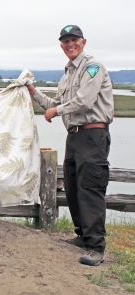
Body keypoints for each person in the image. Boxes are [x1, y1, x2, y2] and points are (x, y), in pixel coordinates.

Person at [26, 25, 114, 266]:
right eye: (65, 41)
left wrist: (57, 110)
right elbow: (54, 103)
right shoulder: (67, 74)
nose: (69, 44)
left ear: (83, 41)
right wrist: (33, 92)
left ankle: (96, 246)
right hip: (74, 135)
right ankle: (83, 235)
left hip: (93, 135)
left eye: (73, 39)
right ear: (61, 45)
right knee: (74, 186)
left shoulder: (92, 66)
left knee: (91, 187)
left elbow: (84, 101)